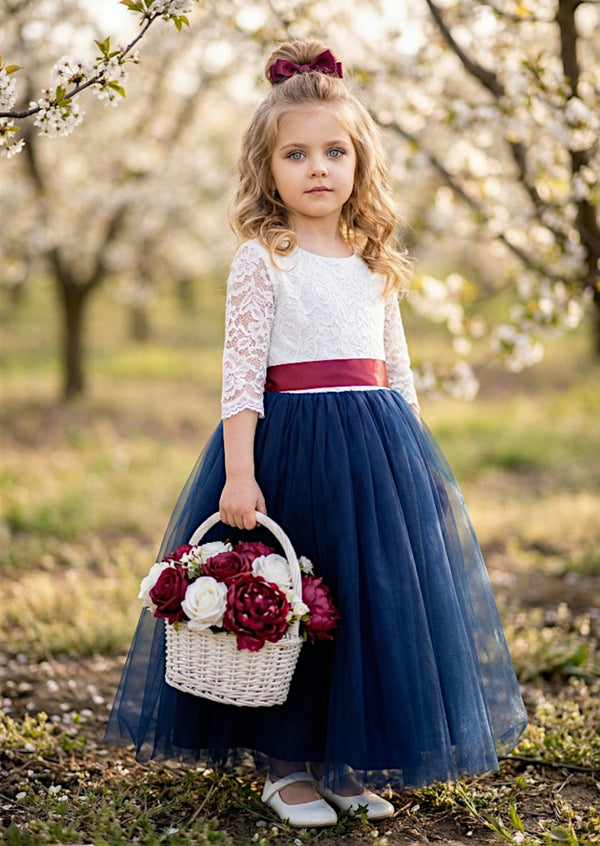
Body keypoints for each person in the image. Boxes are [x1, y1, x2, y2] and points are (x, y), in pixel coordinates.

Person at [105, 40, 527, 828]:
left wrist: (420, 462)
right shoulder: (265, 258)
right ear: (268, 172)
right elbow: (240, 377)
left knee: (368, 602)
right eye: (296, 155)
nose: (317, 168)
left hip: (376, 451)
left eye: (335, 151)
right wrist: (239, 473)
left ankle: (346, 758)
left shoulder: (373, 259)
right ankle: (286, 766)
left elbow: (396, 372)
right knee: (293, 599)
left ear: (360, 163)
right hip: (290, 447)